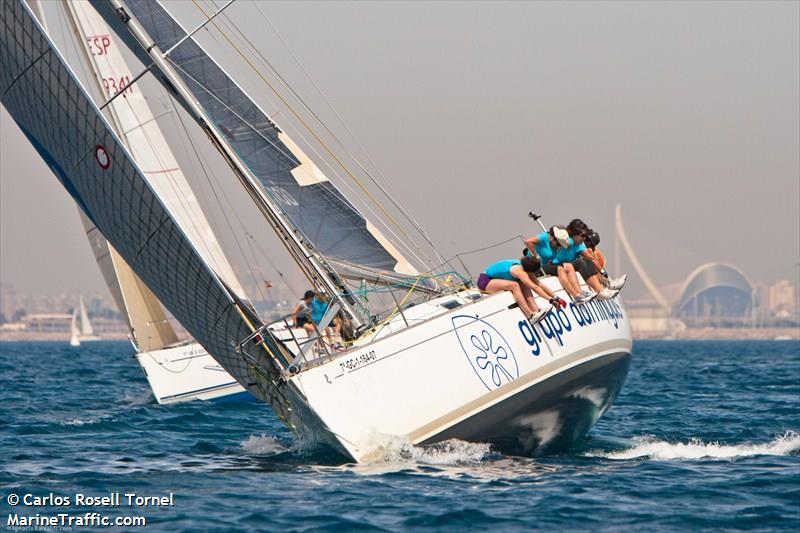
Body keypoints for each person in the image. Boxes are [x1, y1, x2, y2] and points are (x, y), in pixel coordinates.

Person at [476, 256, 555, 324]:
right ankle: (530, 315)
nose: (536, 274)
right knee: (514, 285)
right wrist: (550, 299)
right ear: (531, 271)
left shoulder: (525, 268)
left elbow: (538, 283)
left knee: (523, 283)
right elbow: (535, 288)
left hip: (494, 278)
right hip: (485, 281)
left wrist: (555, 297)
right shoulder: (519, 272)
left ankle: (536, 310)